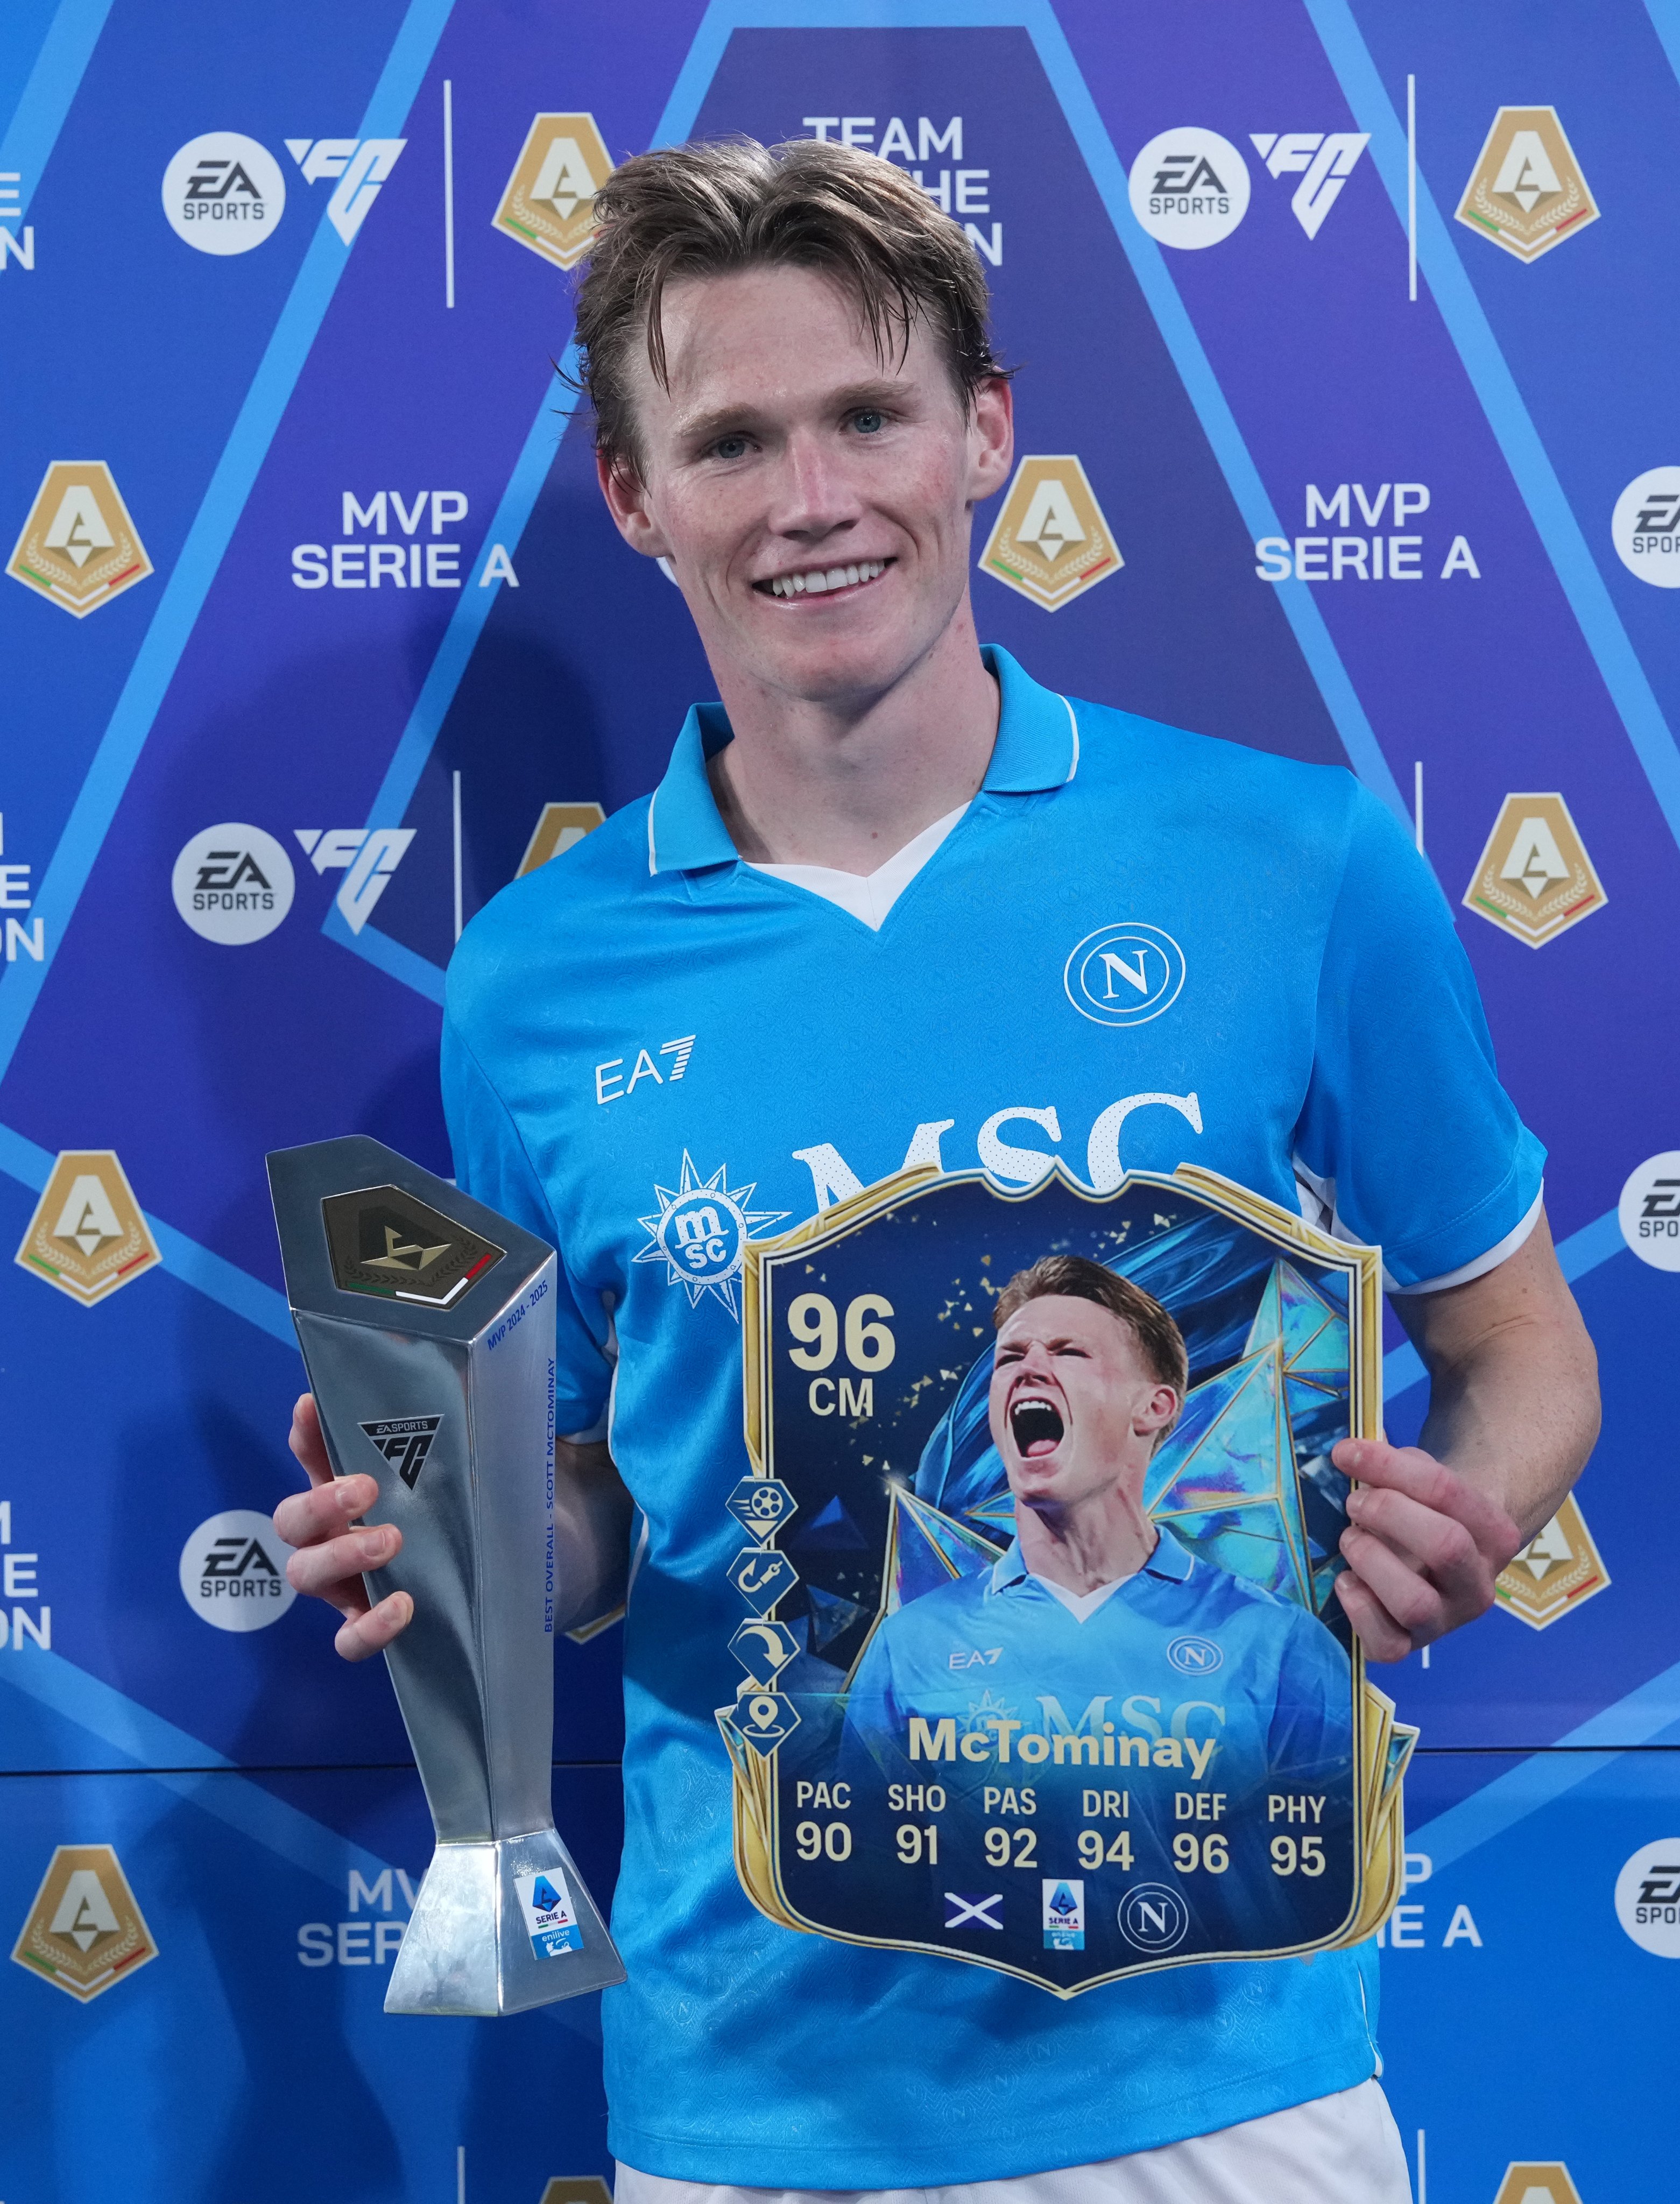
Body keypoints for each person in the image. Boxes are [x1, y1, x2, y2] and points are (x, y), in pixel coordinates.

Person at [274, 136, 1600, 2203]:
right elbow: (605, 1491)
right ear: (632, 494)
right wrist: (469, 1556)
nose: (809, 498)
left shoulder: (1293, 861)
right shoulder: (531, 984)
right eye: (729, 442)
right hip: (750, 2091)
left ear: (982, 432)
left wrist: (1460, 1519)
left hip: (1218, 2072)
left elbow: (1518, 1345)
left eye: (868, 416)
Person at [844, 1256, 1353, 1958]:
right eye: (1011, 1358)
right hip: (972, 2019)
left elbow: (1327, 1882)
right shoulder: (911, 1643)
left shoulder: (1279, 1642)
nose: (1029, 1368)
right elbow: (869, 1884)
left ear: (1156, 1408)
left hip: (1209, 2020)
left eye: (1068, 1352)